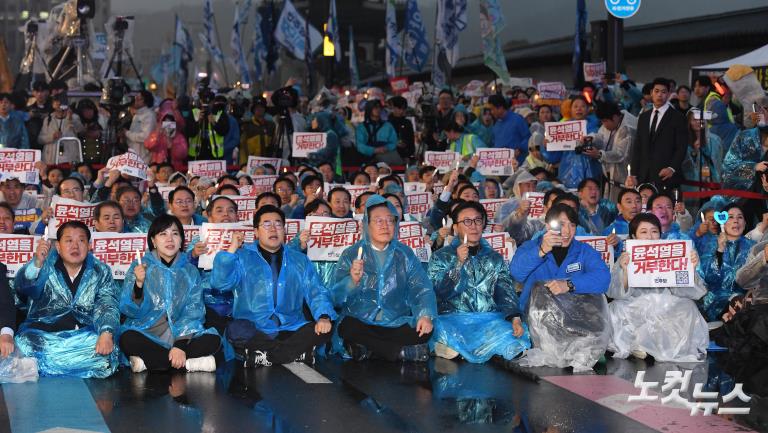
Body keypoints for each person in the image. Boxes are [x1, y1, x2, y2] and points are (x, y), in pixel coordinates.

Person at [210, 205, 336, 366]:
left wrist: (324, 316)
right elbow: (220, 284)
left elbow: (316, 292)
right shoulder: (241, 257)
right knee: (236, 329)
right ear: (255, 232)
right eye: (266, 224)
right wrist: (232, 249)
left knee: (326, 326)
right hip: (255, 329)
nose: (273, 229)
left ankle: (264, 356)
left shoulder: (300, 260)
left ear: (284, 230)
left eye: (278, 224)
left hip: (291, 327)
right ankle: (294, 354)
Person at [332, 195, 437, 362]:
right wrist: (352, 281)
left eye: (390, 220)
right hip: (362, 321)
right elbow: (336, 298)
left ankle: (369, 349)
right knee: (347, 326)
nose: (385, 226)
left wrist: (425, 315)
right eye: (378, 221)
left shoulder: (404, 254)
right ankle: (398, 353)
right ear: (367, 224)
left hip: (394, 322)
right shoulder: (351, 254)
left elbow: (420, 287)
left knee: (425, 328)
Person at [509, 203, 610, 371]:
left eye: (572, 225)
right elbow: (516, 273)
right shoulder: (531, 246)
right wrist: (541, 251)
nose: (567, 231)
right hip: (536, 316)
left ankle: (578, 347)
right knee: (541, 289)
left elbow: (603, 278)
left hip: (573, 317)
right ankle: (554, 347)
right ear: (548, 226)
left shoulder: (583, 251)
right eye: (561, 224)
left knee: (597, 296)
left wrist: (569, 285)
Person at [427, 201, 530, 363]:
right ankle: (457, 347)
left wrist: (515, 318)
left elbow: (505, 291)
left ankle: (463, 349)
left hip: (487, 320)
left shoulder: (494, 258)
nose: (473, 226)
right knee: (439, 328)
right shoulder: (441, 256)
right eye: (467, 221)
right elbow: (438, 293)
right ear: (455, 227)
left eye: (477, 220)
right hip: (452, 319)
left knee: (517, 339)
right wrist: (458, 265)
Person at [14, 221, 119, 377]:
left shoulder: (100, 270)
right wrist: (36, 263)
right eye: (69, 240)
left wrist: (105, 332)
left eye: (81, 240)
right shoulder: (43, 264)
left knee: (108, 349)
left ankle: (39, 365)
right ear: (58, 246)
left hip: (82, 335)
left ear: (89, 245)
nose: (75, 246)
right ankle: (76, 364)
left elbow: (106, 304)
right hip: (44, 334)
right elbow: (23, 289)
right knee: (24, 342)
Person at [120, 215, 220, 373]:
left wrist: (179, 345)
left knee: (213, 339)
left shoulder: (190, 270)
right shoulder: (140, 266)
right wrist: (138, 284)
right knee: (127, 339)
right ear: (153, 241)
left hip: (182, 334)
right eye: (163, 234)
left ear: (181, 241)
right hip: (148, 332)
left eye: (175, 233)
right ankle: (188, 364)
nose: (169, 239)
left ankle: (153, 362)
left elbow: (193, 310)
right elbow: (128, 309)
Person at [607, 213, 708, 362]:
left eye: (654, 231)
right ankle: (635, 344)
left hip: (665, 306)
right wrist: (625, 270)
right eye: (643, 232)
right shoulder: (625, 257)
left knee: (688, 306)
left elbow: (690, 292)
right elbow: (614, 292)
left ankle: (655, 347)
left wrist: (690, 268)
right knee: (615, 308)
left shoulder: (672, 254)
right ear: (633, 237)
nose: (649, 236)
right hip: (635, 306)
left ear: (660, 235)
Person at [628, 78, 688, 191]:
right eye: (656, 91)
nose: (660, 95)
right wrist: (634, 173)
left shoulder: (678, 117)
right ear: (651, 93)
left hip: (666, 174)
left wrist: (672, 168)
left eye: (663, 92)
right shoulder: (643, 117)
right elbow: (638, 147)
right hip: (644, 175)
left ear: (669, 94)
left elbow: (682, 147)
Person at [700, 204, 755, 321]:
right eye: (730, 217)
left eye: (740, 217)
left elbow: (757, 278)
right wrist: (719, 250)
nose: (736, 221)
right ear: (723, 222)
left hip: (745, 303)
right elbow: (708, 278)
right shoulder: (711, 244)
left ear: (745, 223)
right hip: (716, 304)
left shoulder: (753, 247)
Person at [540, 96, 601, 189]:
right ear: (570, 110)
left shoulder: (596, 130)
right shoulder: (562, 129)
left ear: (588, 109)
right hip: (566, 175)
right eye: (575, 106)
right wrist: (546, 147)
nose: (579, 109)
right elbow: (553, 158)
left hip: (590, 174)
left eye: (582, 106)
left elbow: (600, 150)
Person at [590, 102, 637, 201]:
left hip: (623, 179)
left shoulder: (628, 128)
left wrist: (599, 154)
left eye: (605, 121)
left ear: (615, 117)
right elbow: (601, 136)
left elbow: (621, 154)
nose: (604, 124)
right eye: (602, 121)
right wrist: (591, 138)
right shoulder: (612, 120)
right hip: (609, 179)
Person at [144, 100, 188, 171]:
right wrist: (157, 134)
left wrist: (172, 146)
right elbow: (149, 145)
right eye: (166, 122)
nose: (168, 125)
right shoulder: (157, 134)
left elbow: (183, 154)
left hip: (175, 169)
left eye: (171, 122)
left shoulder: (179, 137)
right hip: (159, 169)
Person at [355, 100, 401, 165]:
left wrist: (386, 148)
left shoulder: (388, 125)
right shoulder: (361, 127)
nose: (378, 109)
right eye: (375, 107)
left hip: (386, 156)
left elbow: (394, 142)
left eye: (380, 107)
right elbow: (359, 146)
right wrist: (374, 150)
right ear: (369, 109)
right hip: (367, 159)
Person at [488, 94, 530, 165]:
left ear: (500, 107)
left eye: (492, 109)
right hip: (501, 166)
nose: (491, 112)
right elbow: (494, 143)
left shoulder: (517, 119)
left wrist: (520, 149)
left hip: (518, 165)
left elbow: (528, 137)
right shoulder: (496, 124)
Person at [239, 97, 275, 162]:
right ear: (253, 109)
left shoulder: (271, 126)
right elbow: (242, 148)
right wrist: (243, 165)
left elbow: (274, 145)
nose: (259, 109)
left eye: (262, 107)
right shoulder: (246, 125)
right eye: (257, 107)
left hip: (268, 162)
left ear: (265, 109)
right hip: (251, 163)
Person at [124, 90, 156, 163]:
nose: (135, 100)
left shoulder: (149, 115)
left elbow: (145, 137)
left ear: (145, 101)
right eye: (135, 98)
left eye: (138, 99)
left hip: (143, 158)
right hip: (134, 156)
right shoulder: (137, 115)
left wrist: (126, 133)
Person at [387, 96, 415, 163]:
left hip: (405, 157)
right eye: (399, 108)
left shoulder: (407, 123)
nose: (402, 111)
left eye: (404, 109)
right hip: (389, 156)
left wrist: (408, 155)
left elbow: (411, 141)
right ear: (393, 107)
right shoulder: (386, 123)